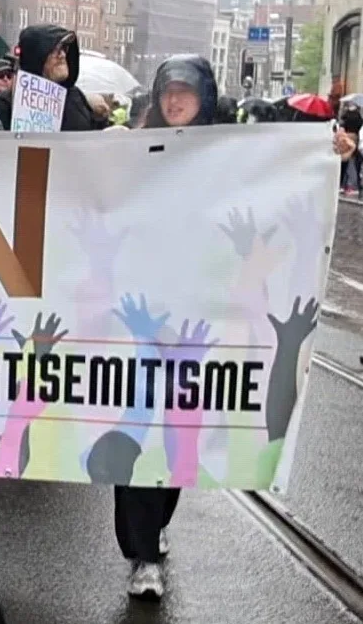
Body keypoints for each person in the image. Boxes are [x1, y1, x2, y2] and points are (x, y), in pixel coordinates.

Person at [123, 54, 352, 601]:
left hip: (203, 314)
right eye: (167, 91)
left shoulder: (232, 149)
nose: (174, 100)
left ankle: (156, 524)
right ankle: (142, 553)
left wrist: (330, 154)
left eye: (185, 91)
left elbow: (285, 175)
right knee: (138, 431)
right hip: (139, 317)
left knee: (180, 429)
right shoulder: (131, 148)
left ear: (204, 95)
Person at [0, 25, 107, 132]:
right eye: (55, 50)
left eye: (64, 48)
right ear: (37, 56)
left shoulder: (75, 95)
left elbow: (92, 136)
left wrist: (100, 117)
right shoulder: (9, 102)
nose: (62, 55)